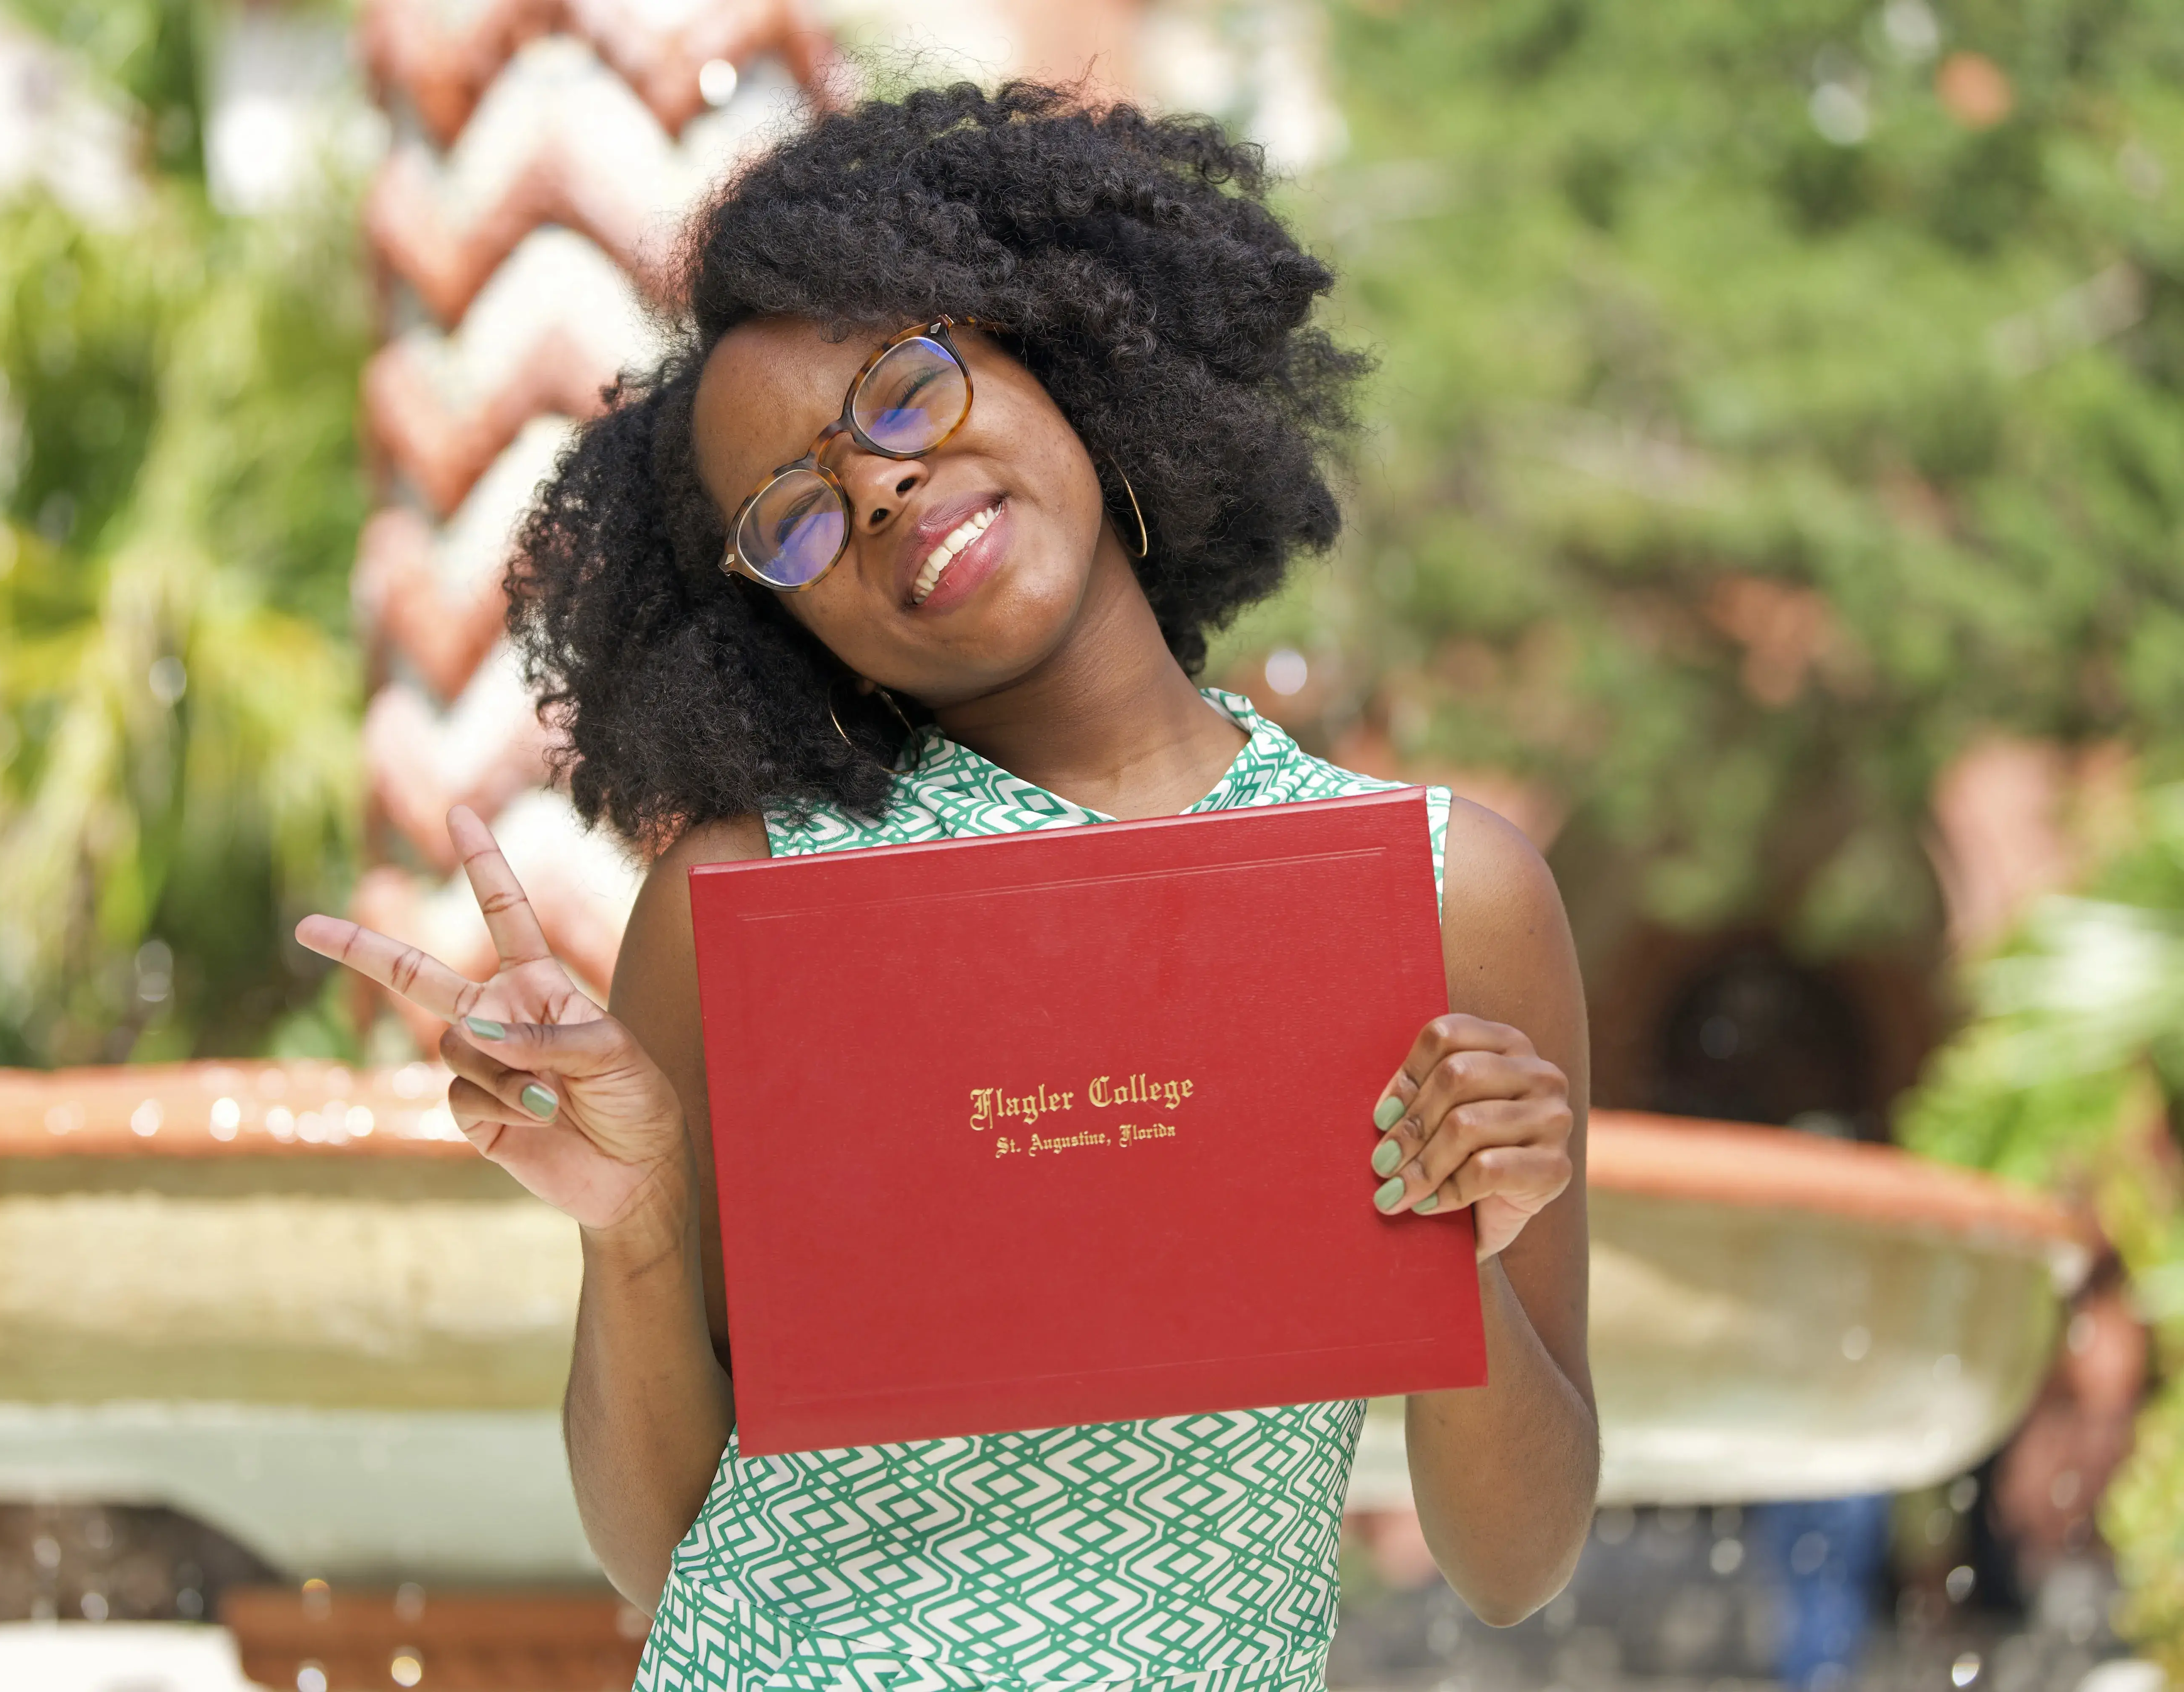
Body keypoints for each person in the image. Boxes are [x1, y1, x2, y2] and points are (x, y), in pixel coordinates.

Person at [298, 81, 1598, 1691]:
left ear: (1054, 349)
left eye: (905, 396)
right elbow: (657, 1550)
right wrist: (631, 1229)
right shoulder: (750, 904)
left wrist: (1470, 1240)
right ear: (782, 623)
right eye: (795, 520)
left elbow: (1514, 1565)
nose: (881, 492)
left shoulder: (1436, 891)